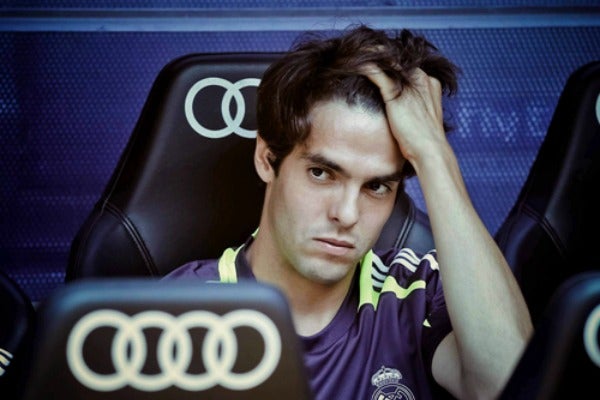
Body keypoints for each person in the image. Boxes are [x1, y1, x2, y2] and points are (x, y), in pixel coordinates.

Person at [165, 25, 533, 400]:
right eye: (321, 173)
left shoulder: (416, 295)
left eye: (376, 186)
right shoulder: (179, 316)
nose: (346, 214)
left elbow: (511, 386)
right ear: (267, 159)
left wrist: (433, 155)